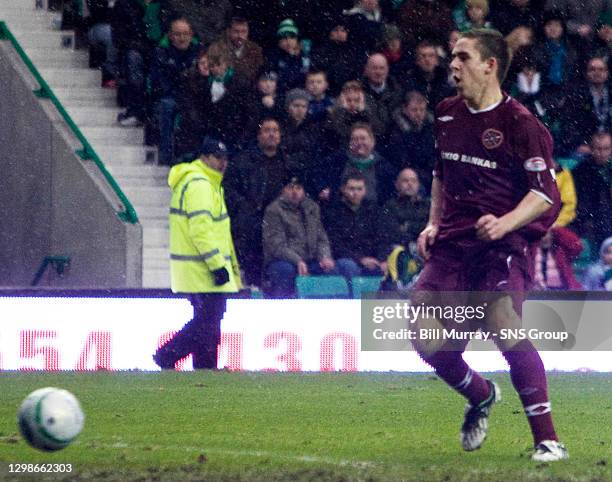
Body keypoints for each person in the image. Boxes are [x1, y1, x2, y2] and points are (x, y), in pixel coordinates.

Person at [411, 29, 567, 462]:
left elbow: (543, 196)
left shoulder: (522, 124)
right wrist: (432, 223)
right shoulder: (446, 113)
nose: (453, 65)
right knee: (422, 334)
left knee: (503, 321)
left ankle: (547, 439)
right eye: (452, 57)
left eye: (463, 57)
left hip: (503, 243)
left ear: (490, 65)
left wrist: (503, 224)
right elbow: (441, 173)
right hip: (453, 243)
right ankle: (481, 395)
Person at [153, 137, 241, 370]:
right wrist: (217, 265)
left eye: (225, 158)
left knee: (208, 323)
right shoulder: (201, 185)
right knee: (207, 323)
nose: (222, 163)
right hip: (203, 269)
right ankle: (166, 355)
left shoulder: (201, 182)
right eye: (217, 158)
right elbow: (201, 230)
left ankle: (205, 369)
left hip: (196, 268)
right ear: (204, 158)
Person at [262, 172, 337, 298]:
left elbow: (321, 238)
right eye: (291, 187)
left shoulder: (312, 207)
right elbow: (276, 246)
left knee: (333, 269)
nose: (295, 192)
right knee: (285, 270)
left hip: (310, 260)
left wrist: (324, 256)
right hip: (283, 261)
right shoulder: (274, 210)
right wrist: (298, 261)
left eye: (298, 188)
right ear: (283, 190)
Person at [323, 169, 384, 281]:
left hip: (371, 259)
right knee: (348, 266)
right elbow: (335, 244)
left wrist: (382, 259)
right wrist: (360, 259)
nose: (355, 193)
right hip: (344, 259)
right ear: (343, 189)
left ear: (365, 190)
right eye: (351, 189)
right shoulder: (334, 212)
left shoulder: (372, 210)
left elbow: (381, 237)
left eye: (359, 189)